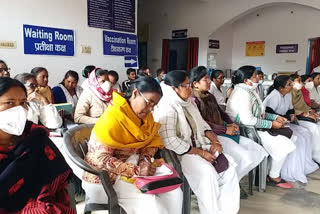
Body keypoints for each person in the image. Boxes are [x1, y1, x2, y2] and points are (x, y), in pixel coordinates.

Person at [82, 76, 182, 214]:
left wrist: (144, 160)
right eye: (149, 102)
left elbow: (151, 141)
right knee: (152, 204)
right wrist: (136, 170)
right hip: (105, 178)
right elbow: (100, 159)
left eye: (154, 105)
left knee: (174, 192)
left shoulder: (145, 117)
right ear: (135, 93)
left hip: (135, 168)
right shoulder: (113, 117)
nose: (150, 109)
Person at [153, 70, 240, 214]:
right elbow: (169, 141)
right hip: (181, 154)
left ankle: (227, 210)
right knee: (207, 174)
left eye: (189, 85)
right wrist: (200, 153)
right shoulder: (166, 106)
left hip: (200, 146)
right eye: (186, 85)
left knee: (229, 167)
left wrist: (215, 142)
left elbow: (204, 125)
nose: (190, 88)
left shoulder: (189, 103)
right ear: (174, 88)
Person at [0, 77, 75, 213]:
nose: (19, 109)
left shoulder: (35, 138)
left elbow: (58, 185)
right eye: (9, 103)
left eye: (23, 102)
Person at [190, 66, 268, 182]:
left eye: (208, 79)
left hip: (222, 131)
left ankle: (235, 180)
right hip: (211, 135)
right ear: (195, 83)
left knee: (256, 149)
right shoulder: (194, 99)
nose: (209, 81)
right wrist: (224, 129)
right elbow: (202, 123)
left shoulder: (209, 95)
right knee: (243, 156)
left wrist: (231, 123)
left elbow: (221, 113)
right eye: (205, 79)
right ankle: (229, 181)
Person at [226, 66, 296, 189]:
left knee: (291, 139)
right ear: (247, 80)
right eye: (254, 76)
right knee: (284, 145)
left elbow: (259, 113)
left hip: (254, 128)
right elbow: (248, 120)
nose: (258, 78)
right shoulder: (242, 94)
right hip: (247, 131)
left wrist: (274, 117)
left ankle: (270, 172)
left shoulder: (249, 91)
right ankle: (273, 175)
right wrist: (270, 124)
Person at [264, 75, 318, 183]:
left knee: (306, 133)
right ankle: (289, 170)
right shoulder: (274, 96)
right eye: (289, 84)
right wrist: (282, 119)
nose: (292, 85)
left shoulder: (287, 95)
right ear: (281, 88)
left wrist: (292, 115)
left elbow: (290, 109)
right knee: (298, 138)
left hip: (285, 122)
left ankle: (303, 165)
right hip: (274, 124)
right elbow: (269, 113)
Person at [290, 74, 320, 163]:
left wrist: (310, 112)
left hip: (303, 115)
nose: (301, 83)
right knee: (315, 129)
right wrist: (306, 114)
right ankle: (316, 156)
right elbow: (293, 108)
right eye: (298, 81)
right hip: (297, 118)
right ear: (291, 82)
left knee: (317, 126)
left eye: (300, 81)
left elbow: (304, 106)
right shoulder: (290, 92)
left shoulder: (298, 91)